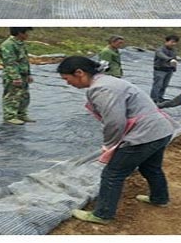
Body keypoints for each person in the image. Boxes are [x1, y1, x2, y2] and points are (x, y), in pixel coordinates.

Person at [58, 56, 174, 225]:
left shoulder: (101, 88)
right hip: (161, 130)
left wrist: (109, 146)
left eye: (67, 79)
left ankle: (103, 214)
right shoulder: (108, 81)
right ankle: (160, 198)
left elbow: (115, 122)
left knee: (113, 173)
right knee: (151, 167)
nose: (68, 83)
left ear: (79, 73)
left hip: (145, 134)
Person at [0, 27, 35, 125]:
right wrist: (15, 77)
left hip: (23, 74)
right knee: (12, 96)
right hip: (13, 75)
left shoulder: (20, 43)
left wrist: (28, 74)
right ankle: (10, 117)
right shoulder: (8, 45)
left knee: (24, 96)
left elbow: (24, 61)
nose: (28, 34)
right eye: (26, 32)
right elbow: (10, 63)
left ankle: (21, 114)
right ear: (20, 33)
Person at [150, 34, 179, 103]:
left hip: (169, 70)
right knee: (157, 85)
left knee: (164, 85)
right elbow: (161, 56)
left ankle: (160, 97)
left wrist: (174, 68)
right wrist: (169, 60)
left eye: (175, 42)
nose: (173, 44)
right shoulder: (160, 49)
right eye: (172, 42)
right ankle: (154, 99)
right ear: (167, 41)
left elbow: (174, 59)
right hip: (160, 70)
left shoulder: (174, 50)